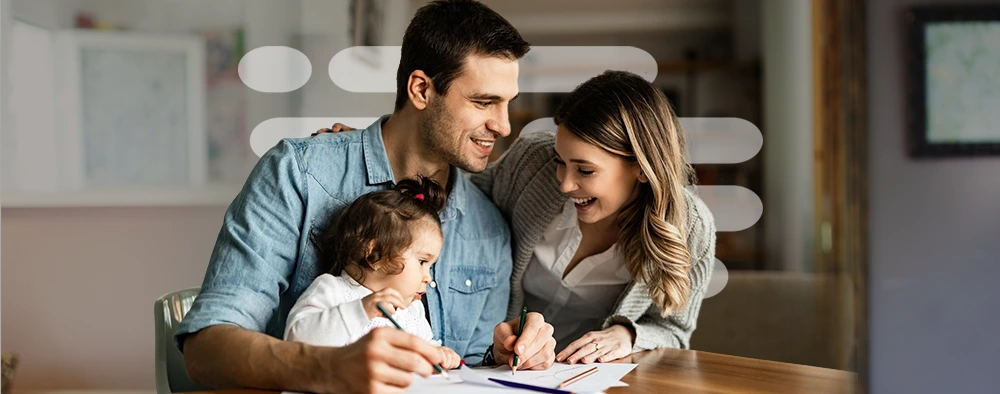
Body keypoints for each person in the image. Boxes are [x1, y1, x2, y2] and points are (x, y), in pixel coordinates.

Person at [175, 1, 555, 393]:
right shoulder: (299, 175)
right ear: (421, 89)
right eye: (483, 102)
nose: (504, 125)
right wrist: (327, 368)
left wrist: (505, 355)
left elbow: (469, 369)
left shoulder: (488, 228)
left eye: (507, 102)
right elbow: (206, 351)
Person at [471, 70, 717, 364]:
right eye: (559, 161)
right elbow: (461, 208)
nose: (565, 184)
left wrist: (627, 335)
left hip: (589, 377)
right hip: (493, 364)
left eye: (585, 170)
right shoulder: (531, 163)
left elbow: (674, 333)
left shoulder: (691, 228)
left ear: (641, 168)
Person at [284, 176, 461, 371]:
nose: (428, 277)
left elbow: (425, 349)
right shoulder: (331, 290)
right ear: (375, 255)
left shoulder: (412, 311)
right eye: (422, 262)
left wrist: (438, 354)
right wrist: (360, 310)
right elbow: (296, 340)